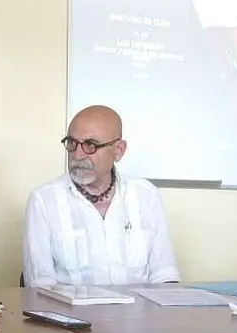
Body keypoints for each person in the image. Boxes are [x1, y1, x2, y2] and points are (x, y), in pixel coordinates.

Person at [23, 105, 180, 287]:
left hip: (138, 313)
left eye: (90, 145)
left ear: (118, 150)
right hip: (71, 315)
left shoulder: (146, 195)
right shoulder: (43, 200)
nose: (77, 154)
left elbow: (164, 275)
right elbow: (39, 286)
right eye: (72, 143)